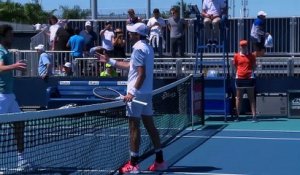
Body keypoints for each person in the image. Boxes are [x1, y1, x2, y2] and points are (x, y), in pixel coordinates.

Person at [95, 22, 167, 174]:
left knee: (134, 127)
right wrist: (110, 61)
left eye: (132, 32)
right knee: (150, 125)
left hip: (137, 94)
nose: (129, 34)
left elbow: (141, 74)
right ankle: (160, 161)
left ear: (137, 35)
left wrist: (132, 93)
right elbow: (130, 66)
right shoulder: (147, 47)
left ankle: (133, 164)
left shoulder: (138, 48)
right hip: (146, 93)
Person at [0, 24, 32, 170]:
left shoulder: (7, 51)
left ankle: (22, 161)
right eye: (10, 35)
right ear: (3, 36)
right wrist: (14, 66)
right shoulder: (0, 50)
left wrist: (17, 68)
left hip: (9, 95)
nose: (12, 37)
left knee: (19, 124)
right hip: (1, 96)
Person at [233, 40, 257, 122]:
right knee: (239, 98)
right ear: (240, 47)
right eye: (242, 46)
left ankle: (254, 116)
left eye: (245, 46)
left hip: (250, 78)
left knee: (251, 98)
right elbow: (235, 66)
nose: (243, 47)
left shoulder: (252, 56)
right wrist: (240, 73)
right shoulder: (236, 56)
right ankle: (237, 116)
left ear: (247, 47)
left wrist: (250, 73)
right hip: (239, 78)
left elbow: (254, 66)